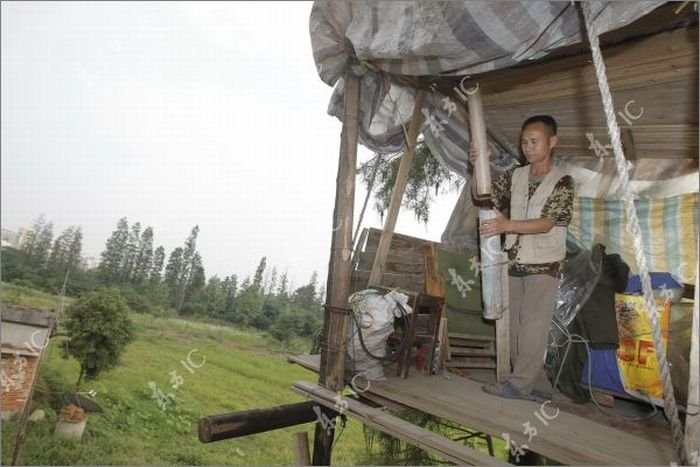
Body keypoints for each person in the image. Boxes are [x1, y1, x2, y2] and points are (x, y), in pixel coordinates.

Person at [470, 115, 574, 400]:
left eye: (534, 141)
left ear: (552, 142)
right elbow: (483, 197)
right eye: (524, 142)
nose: (528, 147)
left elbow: (548, 223)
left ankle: (518, 384)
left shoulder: (562, 181)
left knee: (533, 326)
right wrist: (478, 166)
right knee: (514, 325)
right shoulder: (516, 175)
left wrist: (507, 226)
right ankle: (538, 386)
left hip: (544, 264)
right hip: (514, 261)